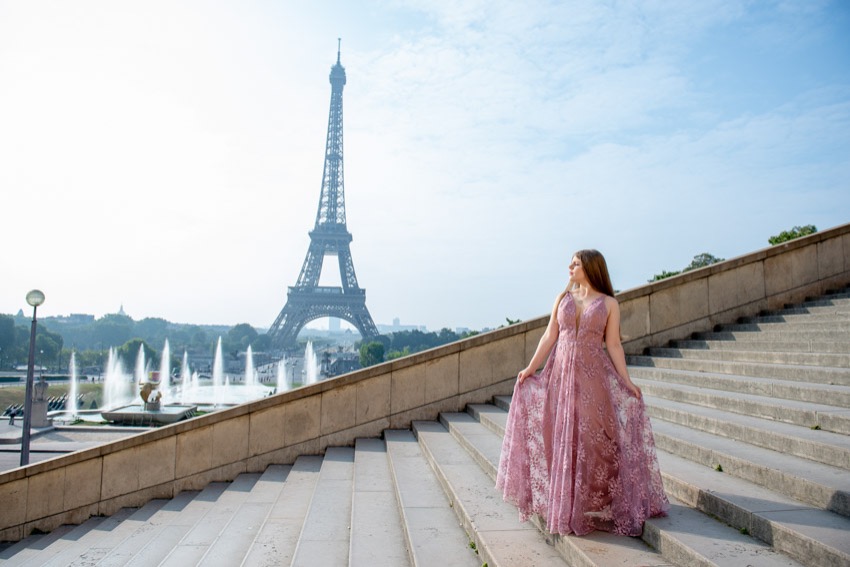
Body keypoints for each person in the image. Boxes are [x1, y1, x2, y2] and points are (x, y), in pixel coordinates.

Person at [496, 249, 669, 536]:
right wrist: (530, 369)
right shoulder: (562, 298)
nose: (569, 267)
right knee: (558, 435)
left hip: (592, 380)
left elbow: (613, 345)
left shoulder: (609, 303)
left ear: (589, 266)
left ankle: (598, 497)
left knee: (596, 439)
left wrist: (627, 382)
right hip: (559, 377)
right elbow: (549, 335)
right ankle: (567, 502)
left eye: (575, 263)